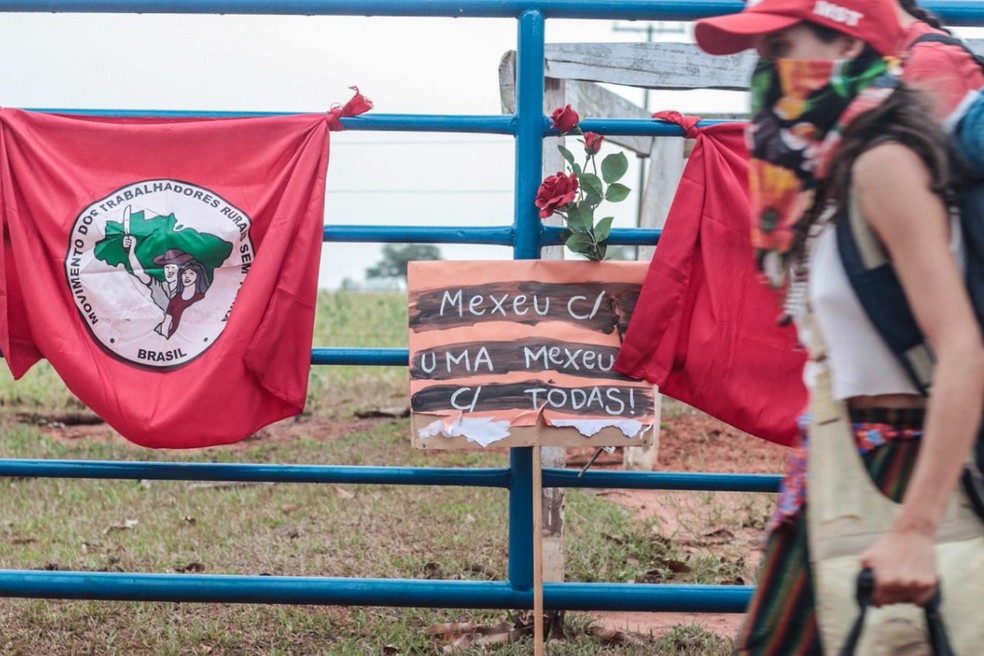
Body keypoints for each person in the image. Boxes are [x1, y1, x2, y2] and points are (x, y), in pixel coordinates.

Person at [695, 0, 984, 653]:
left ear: (848, 48)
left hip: (902, 467)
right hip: (839, 462)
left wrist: (916, 524)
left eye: (781, 46)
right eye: (761, 53)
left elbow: (964, 348)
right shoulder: (827, 164)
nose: (765, 70)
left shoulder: (883, 163)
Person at [156, 259, 210, 339]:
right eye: (185, 273)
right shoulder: (175, 299)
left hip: (196, 339)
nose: (187, 276)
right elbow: (166, 322)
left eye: (191, 273)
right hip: (173, 340)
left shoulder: (202, 298)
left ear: (198, 275)